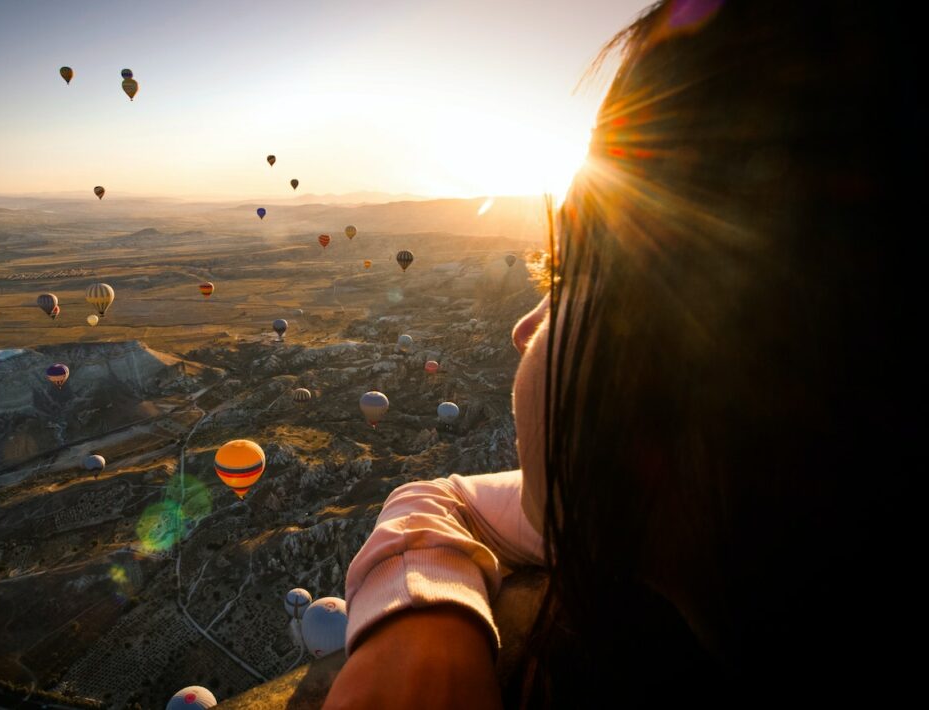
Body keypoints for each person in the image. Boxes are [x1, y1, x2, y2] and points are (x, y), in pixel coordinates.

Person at [325, 1, 916, 707]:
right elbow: (441, 499)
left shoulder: (688, 501)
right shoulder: (717, 524)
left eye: (574, 272)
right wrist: (424, 623)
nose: (523, 326)